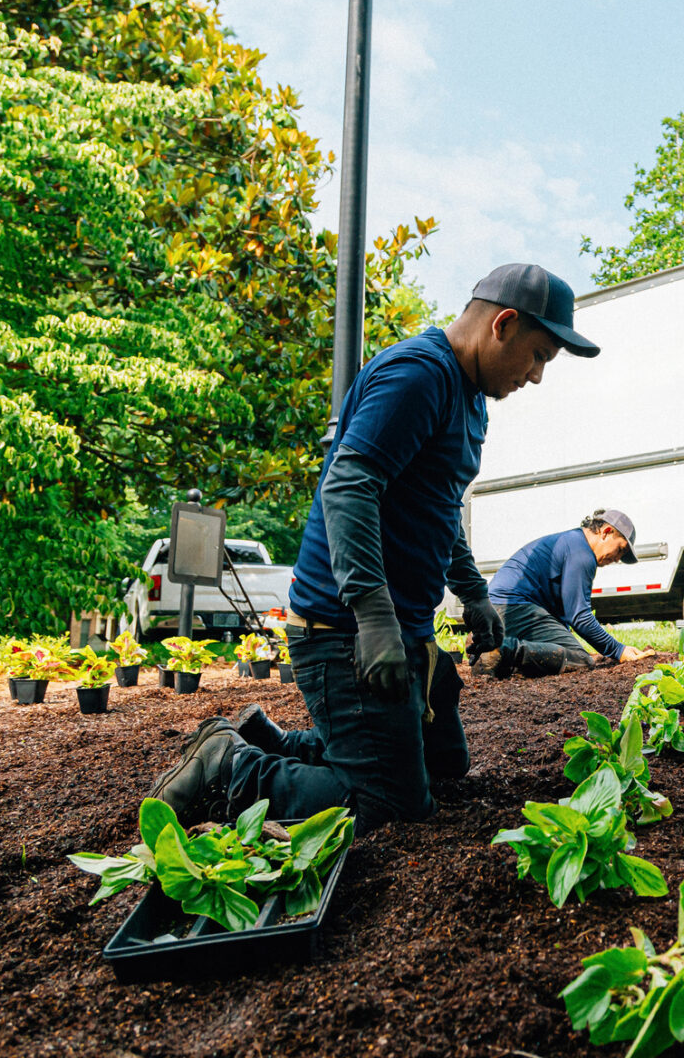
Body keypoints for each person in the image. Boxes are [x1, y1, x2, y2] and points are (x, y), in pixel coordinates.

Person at [148, 263, 600, 825]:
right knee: (391, 803)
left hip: (406, 630)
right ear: (503, 324)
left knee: (445, 765)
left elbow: (439, 507)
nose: (535, 376)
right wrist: (374, 617)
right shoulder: (418, 375)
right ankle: (227, 764)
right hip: (344, 629)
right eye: (538, 356)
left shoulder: (471, 396)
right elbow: (348, 485)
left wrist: (473, 592)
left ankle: (263, 737)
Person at [472, 509, 654, 677]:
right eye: (620, 550)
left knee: (557, 650)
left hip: (495, 609)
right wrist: (618, 650)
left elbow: (561, 614)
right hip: (511, 606)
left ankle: (491, 651)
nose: (617, 559)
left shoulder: (572, 542)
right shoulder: (582, 555)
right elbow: (580, 617)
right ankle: (500, 648)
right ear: (606, 532)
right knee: (579, 658)